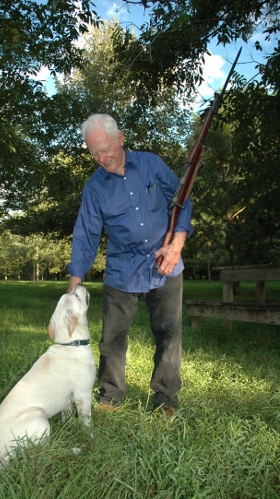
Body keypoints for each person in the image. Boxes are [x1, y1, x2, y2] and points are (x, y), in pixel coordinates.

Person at [67, 113, 193, 416]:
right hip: (122, 271)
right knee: (111, 339)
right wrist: (75, 280)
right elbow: (86, 233)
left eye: (105, 149)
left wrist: (175, 246)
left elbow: (183, 200)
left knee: (168, 334)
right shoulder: (95, 187)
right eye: (93, 152)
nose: (100, 158)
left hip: (165, 265)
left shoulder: (151, 164)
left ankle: (165, 400)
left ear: (120, 138)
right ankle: (110, 398)